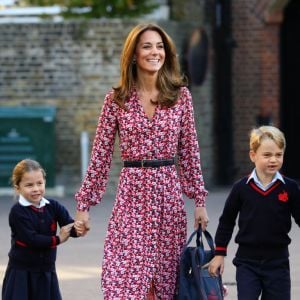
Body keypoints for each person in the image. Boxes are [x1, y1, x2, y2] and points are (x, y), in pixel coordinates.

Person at [74, 23, 209, 299]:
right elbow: (100, 156)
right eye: (147, 46)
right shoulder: (116, 100)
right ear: (134, 54)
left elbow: (190, 153)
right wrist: (84, 205)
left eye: (160, 46)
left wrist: (199, 201)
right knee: (123, 280)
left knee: (165, 280)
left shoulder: (181, 97)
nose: (154, 52)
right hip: (131, 198)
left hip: (168, 198)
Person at [209, 125, 300, 300]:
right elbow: (227, 221)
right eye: (267, 155)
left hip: (278, 263)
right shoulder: (240, 188)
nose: (273, 160)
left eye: (278, 155)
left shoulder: (290, 188)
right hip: (247, 263)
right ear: (253, 155)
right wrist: (219, 254)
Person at [1, 159, 79, 300]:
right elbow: (32, 239)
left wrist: (78, 228)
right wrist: (58, 239)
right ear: (18, 187)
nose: (36, 188)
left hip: (46, 271)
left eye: (39, 183)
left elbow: (69, 225)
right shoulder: (17, 212)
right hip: (22, 272)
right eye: (29, 185)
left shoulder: (53, 206)